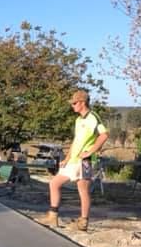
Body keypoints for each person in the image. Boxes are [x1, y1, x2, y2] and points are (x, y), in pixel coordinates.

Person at [40, 90, 108, 231]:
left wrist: (90, 152)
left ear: (82, 102)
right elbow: (76, 141)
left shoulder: (94, 117)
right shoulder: (78, 120)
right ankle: (53, 216)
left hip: (86, 160)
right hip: (74, 160)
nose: (72, 106)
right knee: (54, 183)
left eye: (74, 103)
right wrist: (67, 158)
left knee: (82, 189)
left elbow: (104, 135)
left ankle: (83, 221)